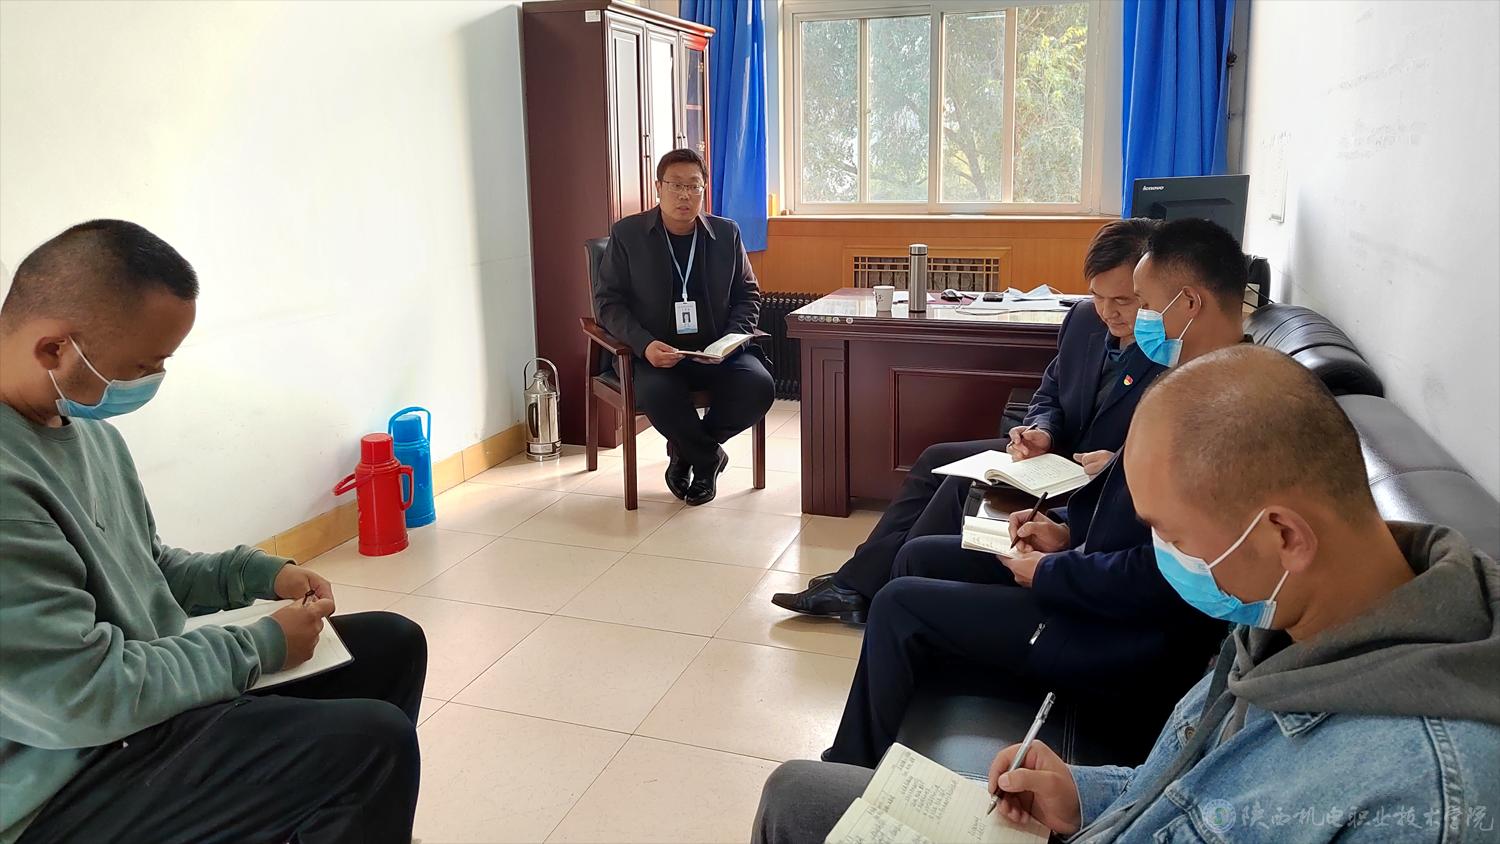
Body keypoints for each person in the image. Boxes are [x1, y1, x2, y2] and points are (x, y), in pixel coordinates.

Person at [753, 345, 1500, 844]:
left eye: (1168, 534)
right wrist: (1084, 793)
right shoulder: (1284, 620)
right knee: (797, 793)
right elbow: (1187, 787)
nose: (1164, 555)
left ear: (1283, 535)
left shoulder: (1426, 798)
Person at [0, 221, 426, 844]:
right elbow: (81, 696)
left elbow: (146, 569)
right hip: (60, 782)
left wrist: (257, 574)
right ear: (53, 350)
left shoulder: (91, 435)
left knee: (390, 644)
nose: (150, 380)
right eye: (142, 366)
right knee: (370, 748)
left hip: (136, 716)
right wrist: (260, 646)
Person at [822, 218, 1252, 768]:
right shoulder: (1189, 382)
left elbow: (1166, 576)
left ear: (1188, 303)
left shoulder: (1219, 414)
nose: (1130, 317)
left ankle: (847, 767)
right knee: (918, 556)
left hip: (1114, 631)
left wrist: (1051, 571)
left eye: (1142, 303)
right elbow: (1130, 517)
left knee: (897, 605)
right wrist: (1065, 531)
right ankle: (901, 738)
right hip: (1091, 571)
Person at [772, 218, 1164, 622]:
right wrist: (1041, 430)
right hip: (1052, 456)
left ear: (1151, 292)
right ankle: (863, 583)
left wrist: (1115, 462)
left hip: (1102, 479)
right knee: (936, 459)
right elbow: (1050, 392)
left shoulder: (1169, 348)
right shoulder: (1083, 319)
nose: (1108, 312)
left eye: (1124, 301)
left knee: (962, 484)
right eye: (1098, 296)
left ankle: (883, 589)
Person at [593, 148, 774, 506]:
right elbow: (608, 303)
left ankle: (686, 452)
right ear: (658, 187)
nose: (684, 195)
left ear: (704, 190)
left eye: (693, 186)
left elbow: (748, 294)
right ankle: (708, 459)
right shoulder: (628, 234)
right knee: (657, 393)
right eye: (675, 185)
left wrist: (730, 342)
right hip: (657, 355)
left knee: (758, 386)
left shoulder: (726, 233)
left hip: (717, 352)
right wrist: (645, 345)